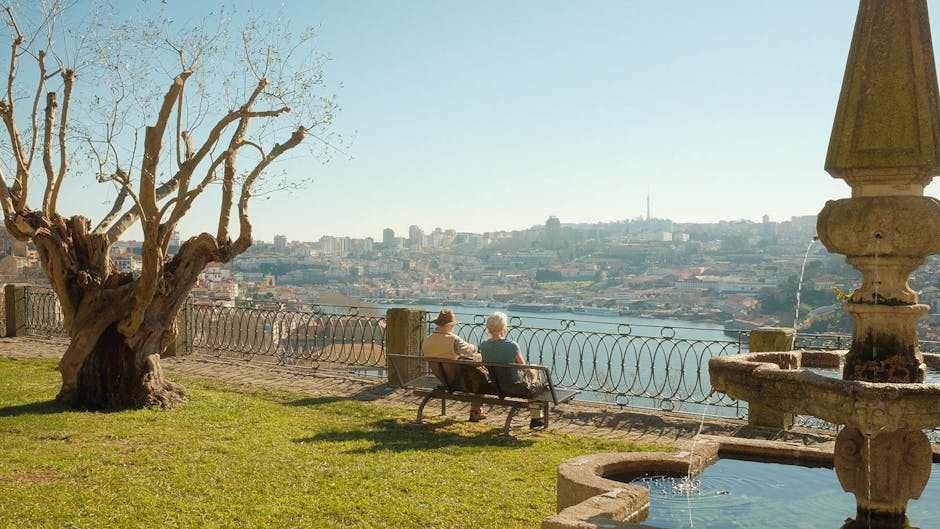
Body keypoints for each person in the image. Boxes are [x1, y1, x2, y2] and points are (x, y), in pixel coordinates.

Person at [478, 311, 546, 429]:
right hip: (515, 386)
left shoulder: (484, 345)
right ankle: (536, 417)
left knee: (533, 377)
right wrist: (532, 373)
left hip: (495, 386)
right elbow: (525, 369)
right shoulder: (512, 346)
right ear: (504, 327)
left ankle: (537, 416)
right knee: (535, 373)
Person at [421, 308, 488, 422]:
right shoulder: (454, 340)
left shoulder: (427, 341)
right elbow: (471, 351)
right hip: (457, 381)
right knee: (481, 377)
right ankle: (475, 411)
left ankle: (476, 411)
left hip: (441, 378)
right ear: (450, 325)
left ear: (437, 324)